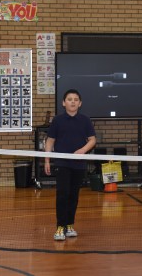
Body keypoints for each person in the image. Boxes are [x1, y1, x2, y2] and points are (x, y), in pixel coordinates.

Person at [45, 89, 97, 240]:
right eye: (69, 99)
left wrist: (82, 150)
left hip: (79, 164)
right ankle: (60, 227)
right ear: (63, 103)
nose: (72, 101)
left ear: (80, 103)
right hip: (62, 163)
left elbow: (92, 140)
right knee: (63, 195)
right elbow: (50, 141)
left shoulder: (85, 120)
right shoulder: (57, 120)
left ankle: (69, 225)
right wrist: (47, 160)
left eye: (75, 99)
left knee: (73, 196)